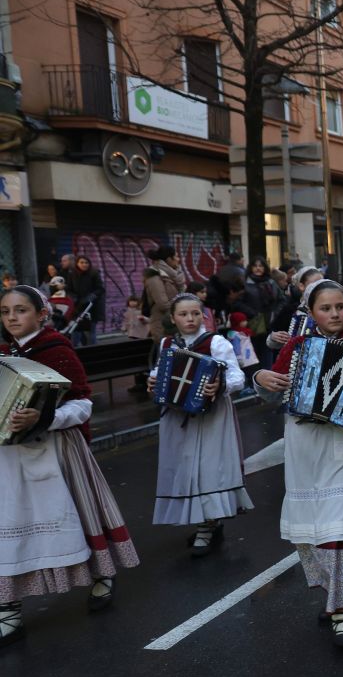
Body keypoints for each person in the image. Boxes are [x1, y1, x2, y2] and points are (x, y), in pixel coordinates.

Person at [254, 280, 343, 648]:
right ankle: (341, 598)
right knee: (318, 524)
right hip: (308, 447)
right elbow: (274, 396)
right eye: (326, 308)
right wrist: (261, 378)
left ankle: (342, 613)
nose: (335, 314)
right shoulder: (297, 347)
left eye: (340, 307)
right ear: (311, 313)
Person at [0, 285, 140, 648]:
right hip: (8, 458)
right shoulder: (2, 352)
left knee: (79, 515)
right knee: (8, 525)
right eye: (5, 311)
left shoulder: (56, 351)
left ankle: (102, 573)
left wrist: (43, 417)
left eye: (20, 310)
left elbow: (83, 403)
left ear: (41, 314)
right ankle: (8, 608)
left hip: (56, 449)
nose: (12, 318)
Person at [148, 294, 253, 555]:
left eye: (196, 313)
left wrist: (220, 385)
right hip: (176, 416)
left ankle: (208, 524)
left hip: (212, 417)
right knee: (185, 468)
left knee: (208, 468)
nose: (190, 319)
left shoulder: (216, 342)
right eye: (183, 314)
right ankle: (206, 520)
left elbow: (237, 376)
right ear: (173, 318)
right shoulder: (167, 343)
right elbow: (162, 370)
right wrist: (153, 381)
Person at [143, 246, 187, 341]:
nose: (179, 259)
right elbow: (163, 305)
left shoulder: (175, 276)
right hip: (163, 327)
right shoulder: (154, 277)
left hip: (177, 324)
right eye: (176, 256)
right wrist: (181, 301)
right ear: (169, 259)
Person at [66, 255, 106, 346]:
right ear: (77, 264)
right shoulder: (72, 274)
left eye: (86, 263)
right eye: (82, 262)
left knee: (90, 333)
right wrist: (73, 297)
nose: (84, 264)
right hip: (77, 308)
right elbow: (68, 289)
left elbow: (100, 289)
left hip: (91, 308)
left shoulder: (94, 273)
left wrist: (91, 296)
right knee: (76, 332)